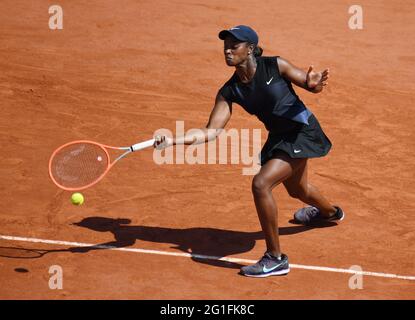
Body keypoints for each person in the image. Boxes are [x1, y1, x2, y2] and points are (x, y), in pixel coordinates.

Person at [154, 25, 344, 278]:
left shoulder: (275, 65)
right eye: (226, 46)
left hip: (302, 131)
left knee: (261, 184)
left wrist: (314, 84)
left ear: (251, 49)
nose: (228, 51)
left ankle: (275, 259)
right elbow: (210, 131)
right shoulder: (230, 91)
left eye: (235, 46)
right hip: (279, 137)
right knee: (298, 189)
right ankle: (330, 213)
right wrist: (173, 140)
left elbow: (311, 84)